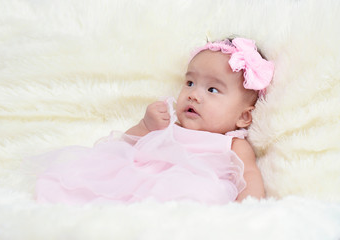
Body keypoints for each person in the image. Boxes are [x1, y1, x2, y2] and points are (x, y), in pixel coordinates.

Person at [34, 37, 274, 205]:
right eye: (190, 83)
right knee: (86, 180)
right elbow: (125, 145)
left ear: (243, 117)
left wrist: (249, 211)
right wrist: (146, 126)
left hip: (189, 190)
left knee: (200, 194)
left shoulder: (233, 144)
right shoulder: (169, 123)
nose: (193, 94)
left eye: (212, 89)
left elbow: (250, 176)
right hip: (140, 181)